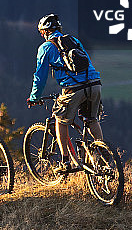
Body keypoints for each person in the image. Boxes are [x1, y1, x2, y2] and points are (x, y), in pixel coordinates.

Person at [27, 13, 103, 175]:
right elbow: (87, 62)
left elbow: (39, 77)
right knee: (91, 119)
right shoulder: (73, 40)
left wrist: (34, 97)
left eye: (41, 32)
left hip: (73, 89)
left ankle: (65, 162)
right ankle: (103, 153)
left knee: (60, 122)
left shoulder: (45, 48)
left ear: (45, 32)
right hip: (94, 84)